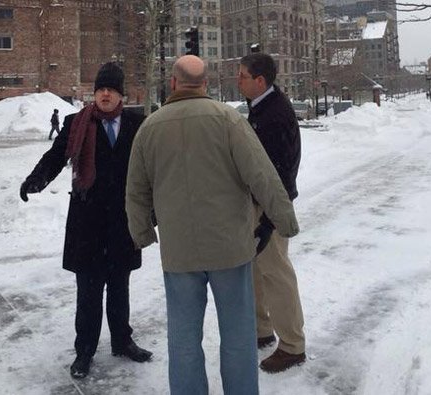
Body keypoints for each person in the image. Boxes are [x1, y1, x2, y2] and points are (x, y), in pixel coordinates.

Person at [126, 55, 299, 395]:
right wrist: (284, 219)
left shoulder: (150, 126)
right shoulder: (228, 120)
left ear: (173, 84)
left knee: (184, 337)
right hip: (230, 248)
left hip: (179, 251)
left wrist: (141, 232)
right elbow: (261, 173)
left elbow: (136, 188)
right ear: (205, 84)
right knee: (237, 335)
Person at [19, 62, 152, 379]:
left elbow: (153, 168)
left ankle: (123, 340)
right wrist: (35, 180)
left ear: (121, 95)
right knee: (89, 293)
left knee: (120, 287)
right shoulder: (75, 123)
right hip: (88, 221)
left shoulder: (138, 124)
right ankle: (85, 351)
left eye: (111, 89)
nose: (105, 94)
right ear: (95, 93)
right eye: (101, 89)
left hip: (122, 220)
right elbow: (55, 157)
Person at [237, 53, 306, 373]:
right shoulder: (262, 107)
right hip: (259, 203)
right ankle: (261, 330)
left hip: (272, 205)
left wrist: (267, 220)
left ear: (259, 81)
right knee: (257, 269)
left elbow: (279, 170)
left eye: (242, 76)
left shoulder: (274, 113)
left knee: (276, 273)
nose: (238, 81)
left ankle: (292, 345)